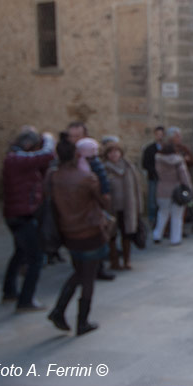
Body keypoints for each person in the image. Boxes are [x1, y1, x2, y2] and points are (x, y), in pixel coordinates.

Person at [48, 132, 110, 335]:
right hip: (89, 230)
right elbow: (104, 201)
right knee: (87, 276)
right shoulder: (86, 178)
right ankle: (80, 320)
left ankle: (59, 311)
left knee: (79, 272)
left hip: (67, 231)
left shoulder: (54, 177)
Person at [1, 127, 56, 311]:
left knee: (19, 253)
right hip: (21, 215)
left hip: (20, 213)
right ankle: (26, 300)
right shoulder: (16, 159)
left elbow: (43, 165)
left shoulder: (18, 159)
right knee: (36, 258)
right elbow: (46, 155)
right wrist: (48, 139)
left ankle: (9, 291)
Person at [66, 121, 115, 281]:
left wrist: (103, 196)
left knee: (98, 236)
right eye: (71, 136)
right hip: (73, 205)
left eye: (77, 136)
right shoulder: (66, 156)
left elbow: (101, 179)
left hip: (92, 204)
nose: (73, 140)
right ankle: (80, 272)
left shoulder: (91, 155)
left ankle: (98, 268)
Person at [103, 140, 142, 270]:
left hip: (128, 206)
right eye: (110, 152)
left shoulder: (129, 167)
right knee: (111, 235)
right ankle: (114, 261)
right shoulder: (104, 169)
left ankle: (127, 260)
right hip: (111, 208)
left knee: (127, 234)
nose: (114, 154)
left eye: (116, 151)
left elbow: (136, 188)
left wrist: (138, 206)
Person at [151, 133, 193, 246]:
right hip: (176, 191)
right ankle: (175, 239)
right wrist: (190, 189)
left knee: (162, 214)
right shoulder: (179, 161)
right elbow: (184, 177)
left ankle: (157, 235)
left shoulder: (158, 160)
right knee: (177, 216)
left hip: (162, 190)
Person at [141, 126, 164, 226]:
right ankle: (152, 219)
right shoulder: (149, 149)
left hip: (165, 180)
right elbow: (145, 164)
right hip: (153, 178)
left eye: (161, 134)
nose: (159, 136)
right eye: (158, 134)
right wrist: (155, 171)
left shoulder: (166, 148)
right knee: (152, 200)